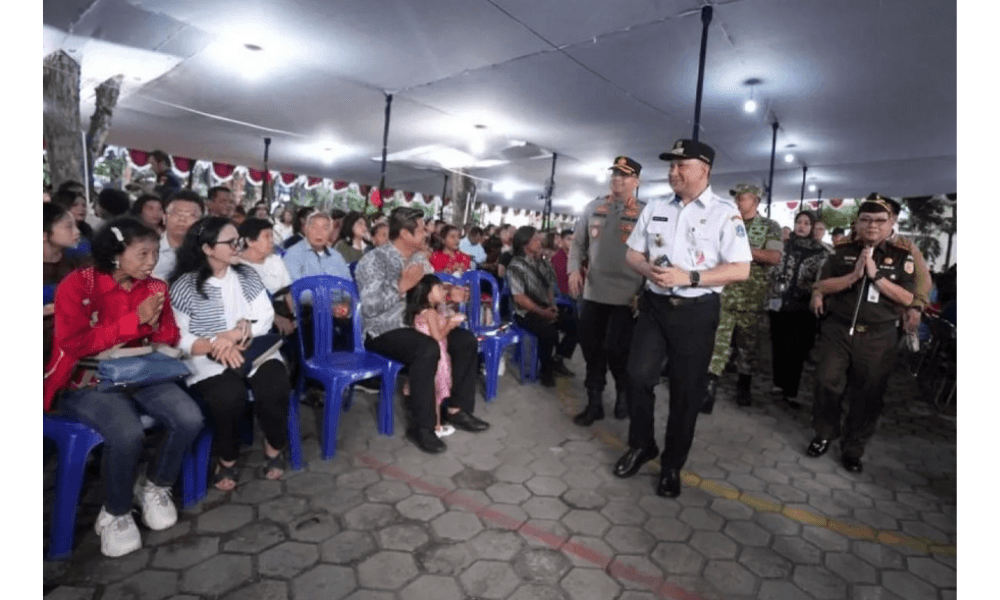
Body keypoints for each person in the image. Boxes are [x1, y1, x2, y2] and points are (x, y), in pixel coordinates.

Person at [44, 217, 204, 557]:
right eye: (143, 254)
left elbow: (168, 335)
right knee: (127, 432)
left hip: (139, 372)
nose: (152, 262)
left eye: (155, 253)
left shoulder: (154, 286)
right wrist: (135, 321)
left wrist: (157, 325)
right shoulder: (79, 284)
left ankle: (155, 484)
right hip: (86, 379)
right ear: (116, 253)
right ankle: (115, 511)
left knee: (189, 417)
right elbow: (74, 344)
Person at [614, 139, 751, 498]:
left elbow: (741, 269)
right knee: (636, 376)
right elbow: (633, 254)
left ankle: (671, 465)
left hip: (696, 311)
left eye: (681, 166)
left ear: (704, 170)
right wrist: (649, 270)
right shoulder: (657, 206)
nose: (673, 172)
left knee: (686, 392)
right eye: (671, 166)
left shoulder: (725, 212)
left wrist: (689, 277)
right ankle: (642, 445)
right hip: (655, 306)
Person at [169, 217, 291, 490]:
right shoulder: (185, 286)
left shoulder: (246, 275)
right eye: (231, 242)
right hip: (206, 356)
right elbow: (178, 336)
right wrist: (216, 343)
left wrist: (233, 336)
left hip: (252, 348)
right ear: (208, 248)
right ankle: (227, 458)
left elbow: (264, 316)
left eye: (239, 241)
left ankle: (274, 446)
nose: (239, 247)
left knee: (275, 383)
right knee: (228, 396)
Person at [356, 207, 488, 454]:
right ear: (404, 234)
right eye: (420, 229)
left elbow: (429, 297)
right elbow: (369, 308)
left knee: (465, 340)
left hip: (420, 324)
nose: (426, 233)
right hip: (384, 329)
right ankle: (423, 427)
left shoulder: (420, 260)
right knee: (426, 348)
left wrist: (448, 295)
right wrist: (402, 285)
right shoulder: (374, 260)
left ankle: (457, 409)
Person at [807, 197, 916, 473]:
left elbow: (907, 297)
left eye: (880, 221)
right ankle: (824, 433)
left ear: (891, 224)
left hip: (879, 336)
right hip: (838, 329)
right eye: (866, 220)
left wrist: (876, 276)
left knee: (868, 393)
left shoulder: (903, 256)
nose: (872, 226)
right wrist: (854, 276)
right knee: (826, 381)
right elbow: (821, 285)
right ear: (856, 223)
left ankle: (853, 448)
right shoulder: (842, 251)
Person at [568, 156, 647, 425]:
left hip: (627, 296)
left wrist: (644, 291)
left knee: (618, 350)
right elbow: (578, 244)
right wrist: (573, 270)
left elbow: (656, 254)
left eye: (624, 175)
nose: (617, 179)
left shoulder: (646, 213)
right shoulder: (593, 207)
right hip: (594, 293)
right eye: (614, 174)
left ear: (636, 181)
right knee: (591, 349)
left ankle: (623, 393)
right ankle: (594, 402)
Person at [703, 183, 783, 411]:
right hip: (725, 293)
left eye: (743, 198)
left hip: (752, 297)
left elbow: (774, 257)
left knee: (748, 344)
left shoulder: (770, 226)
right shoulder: (727, 222)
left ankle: (744, 385)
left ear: (755, 201)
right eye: (736, 197)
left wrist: (741, 248)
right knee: (718, 342)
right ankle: (709, 387)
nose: (737, 201)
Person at [766, 210, 828, 409]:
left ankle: (790, 390)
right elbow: (771, 270)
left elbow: (823, 280)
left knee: (798, 349)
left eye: (806, 223)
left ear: (812, 227)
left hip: (804, 308)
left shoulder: (821, 252)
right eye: (798, 222)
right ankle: (778, 384)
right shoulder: (784, 246)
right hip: (780, 304)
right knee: (779, 345)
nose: (801, 226)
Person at [507, 226, 578, 387]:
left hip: (545, 307)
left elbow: (549, 287)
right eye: (536, 239)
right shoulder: (515, 266)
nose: (540, 242)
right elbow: (519, 298)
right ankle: (546, 369)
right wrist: (542, 312)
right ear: (525, 244)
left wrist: (552, 306)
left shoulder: (542, 263)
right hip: (525, 312)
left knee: (575, 325)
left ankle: (558, 359)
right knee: (549, 333)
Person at [406, 274, 467, 438]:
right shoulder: (431, 313)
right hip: (438, 356)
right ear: (428, 292)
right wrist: (450, 325)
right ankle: (437, 426)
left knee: (431, 391)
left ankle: (433, 422)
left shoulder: (420, 312)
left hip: (426, 356)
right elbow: (438, 336)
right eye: (439, 288)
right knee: (436, 394)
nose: (443, 292)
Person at [43, 203, 89, 365]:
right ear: (43, 235)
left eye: (75, 226)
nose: (77, 232)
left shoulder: (79, 261)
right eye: (69, 227)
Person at [282, 211, 352, 281]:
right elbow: (293, 284)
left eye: (325, 228)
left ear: (330, 232)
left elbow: (347, 283)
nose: (319, 232)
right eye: (314, 227)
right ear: (306, 230)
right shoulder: (293, 254)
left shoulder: (337, 257)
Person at [153, 190, 204, 281]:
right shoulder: (148, 249)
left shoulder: (207, 253)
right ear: (164, 217)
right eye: (176, 213)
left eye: (191, 215)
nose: (182, 219)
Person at [551, 229, 574, 296]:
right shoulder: (557, 258)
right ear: (562, 240)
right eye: (569, 239)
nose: (572, 242)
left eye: (573, 240)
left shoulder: (578, 256)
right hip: (565, 294)